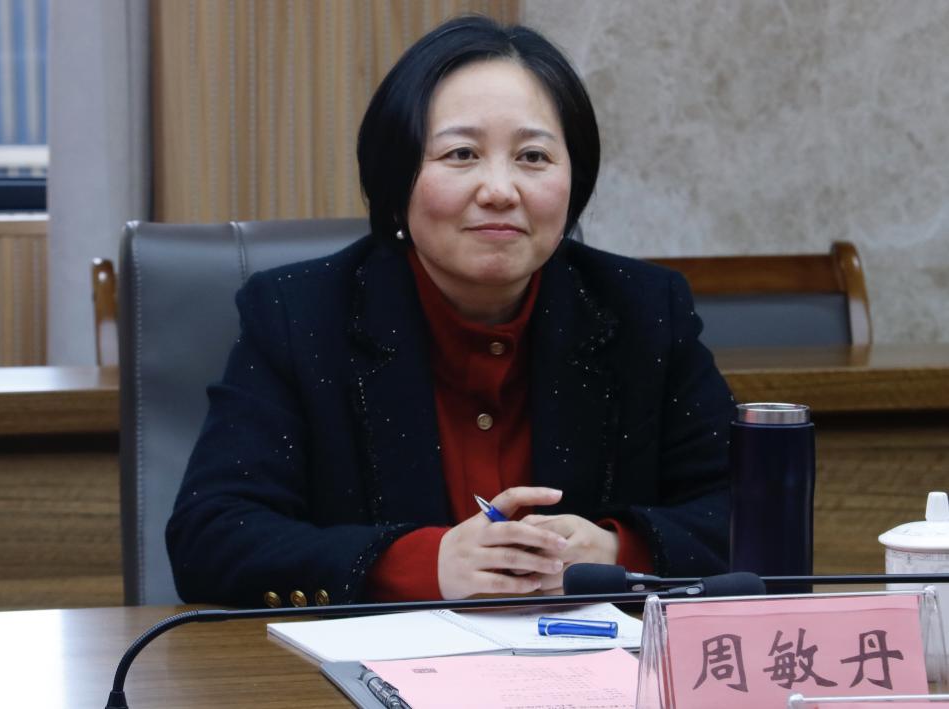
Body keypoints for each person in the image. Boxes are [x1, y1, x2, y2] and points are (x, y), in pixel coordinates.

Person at [166, 15, 735, 609]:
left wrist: (617, 554)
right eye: (462, 153)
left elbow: (747, 511)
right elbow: (212, 536)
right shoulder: (300, 315)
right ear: (397, 176)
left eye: (533, 156)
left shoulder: (644, 310)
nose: (500, 190)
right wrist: (423, 564)